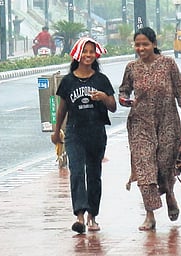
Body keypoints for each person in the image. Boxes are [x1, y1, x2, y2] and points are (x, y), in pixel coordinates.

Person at [119, 27, 181, 231]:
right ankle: (150, 214)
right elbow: (124, 90)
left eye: (145, 44)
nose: (141, 48)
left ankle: (170, 193)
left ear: (154, 44)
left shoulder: (168, 64)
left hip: (167, 122)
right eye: (137, 44)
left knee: (164, 165)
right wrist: (124, 99)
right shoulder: (131, 68)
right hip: (140, 124)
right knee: (145, 170)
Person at [51, 37, 116, 234]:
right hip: (74, 132)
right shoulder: (68, 81)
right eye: (85, 51)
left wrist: (104, 97)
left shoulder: (101, 80)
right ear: (78, 54)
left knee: (94, 174)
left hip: (96, 131)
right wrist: (56, 132)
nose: (88, 55)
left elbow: (113, 107)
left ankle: (92, 216)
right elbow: (62, 109)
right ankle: (79, 215)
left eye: (91, 52)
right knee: (77, 172)